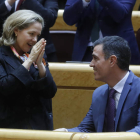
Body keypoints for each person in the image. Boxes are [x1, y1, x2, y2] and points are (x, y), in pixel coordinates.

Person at [55, 36, 140, 135]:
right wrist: (64, 132)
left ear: (112, 60)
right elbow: (86, 129)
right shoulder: (99, 93)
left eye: (95, 58)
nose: (91, 64)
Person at [0, 10, 57, 130]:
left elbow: (50, 92)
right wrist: (30, 60)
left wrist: (40, 65)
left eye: (38, 35)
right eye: (31, 34)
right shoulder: (2, 55)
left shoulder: (38, 54)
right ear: (16, 31)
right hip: (11, 126)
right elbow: (5, 88)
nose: (35, 40)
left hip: (39, 125)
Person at [63, 0, 140, 64]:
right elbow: (68, 19)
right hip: (85, 52)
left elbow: (121, 14)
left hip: (118, 51)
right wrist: (84, 1)